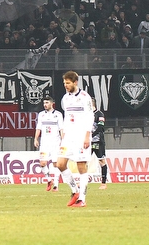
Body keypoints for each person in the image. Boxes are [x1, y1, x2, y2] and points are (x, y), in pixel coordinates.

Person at [55, 71, 94, 208]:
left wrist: (87, 135)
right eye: (64, 83)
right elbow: (67, 117)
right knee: (60, 164)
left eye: (68, 83)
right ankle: (75, 191)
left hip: (81, 136)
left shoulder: (85, 97)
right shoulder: (65, 98)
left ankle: (82, 198)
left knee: (81, 166)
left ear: (75, 82)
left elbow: (90, 117)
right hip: (68, 137)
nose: (66, 85)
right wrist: (63, 134)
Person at [34, 95, 64, 192]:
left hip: (55, 142)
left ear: (52, 103)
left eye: (47, 103)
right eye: (44, 103)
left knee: (56, 164)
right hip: (44, 143)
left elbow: (61, 129)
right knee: (42, 163)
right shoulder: (41, 114)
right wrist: (35, 139)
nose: (45, 105)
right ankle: (48, 180)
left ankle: (56, 185)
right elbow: (38, 128)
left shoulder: (58, 114)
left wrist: (63, 141)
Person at [91, 97, 108, 190]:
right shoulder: (85, 114)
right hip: (87, 143)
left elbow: (101, 128)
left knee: (101, 161)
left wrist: (91, 135)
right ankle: (81, 182)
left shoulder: (99, 114)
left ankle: (103, 183)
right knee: (83, 161)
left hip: (97, 142)